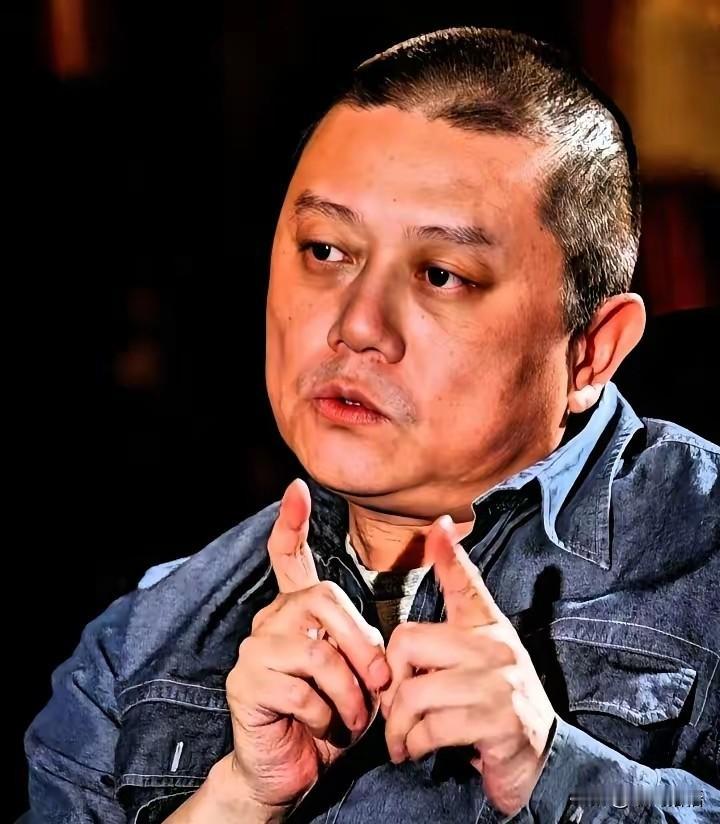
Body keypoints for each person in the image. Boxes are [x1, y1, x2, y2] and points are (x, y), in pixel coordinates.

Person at [25, 27, 718, 824]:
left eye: (440, 274)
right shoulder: (142, 643)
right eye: (326, 251)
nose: (356, 325)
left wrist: (557, 773)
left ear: (591, 350)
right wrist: (235, 798)